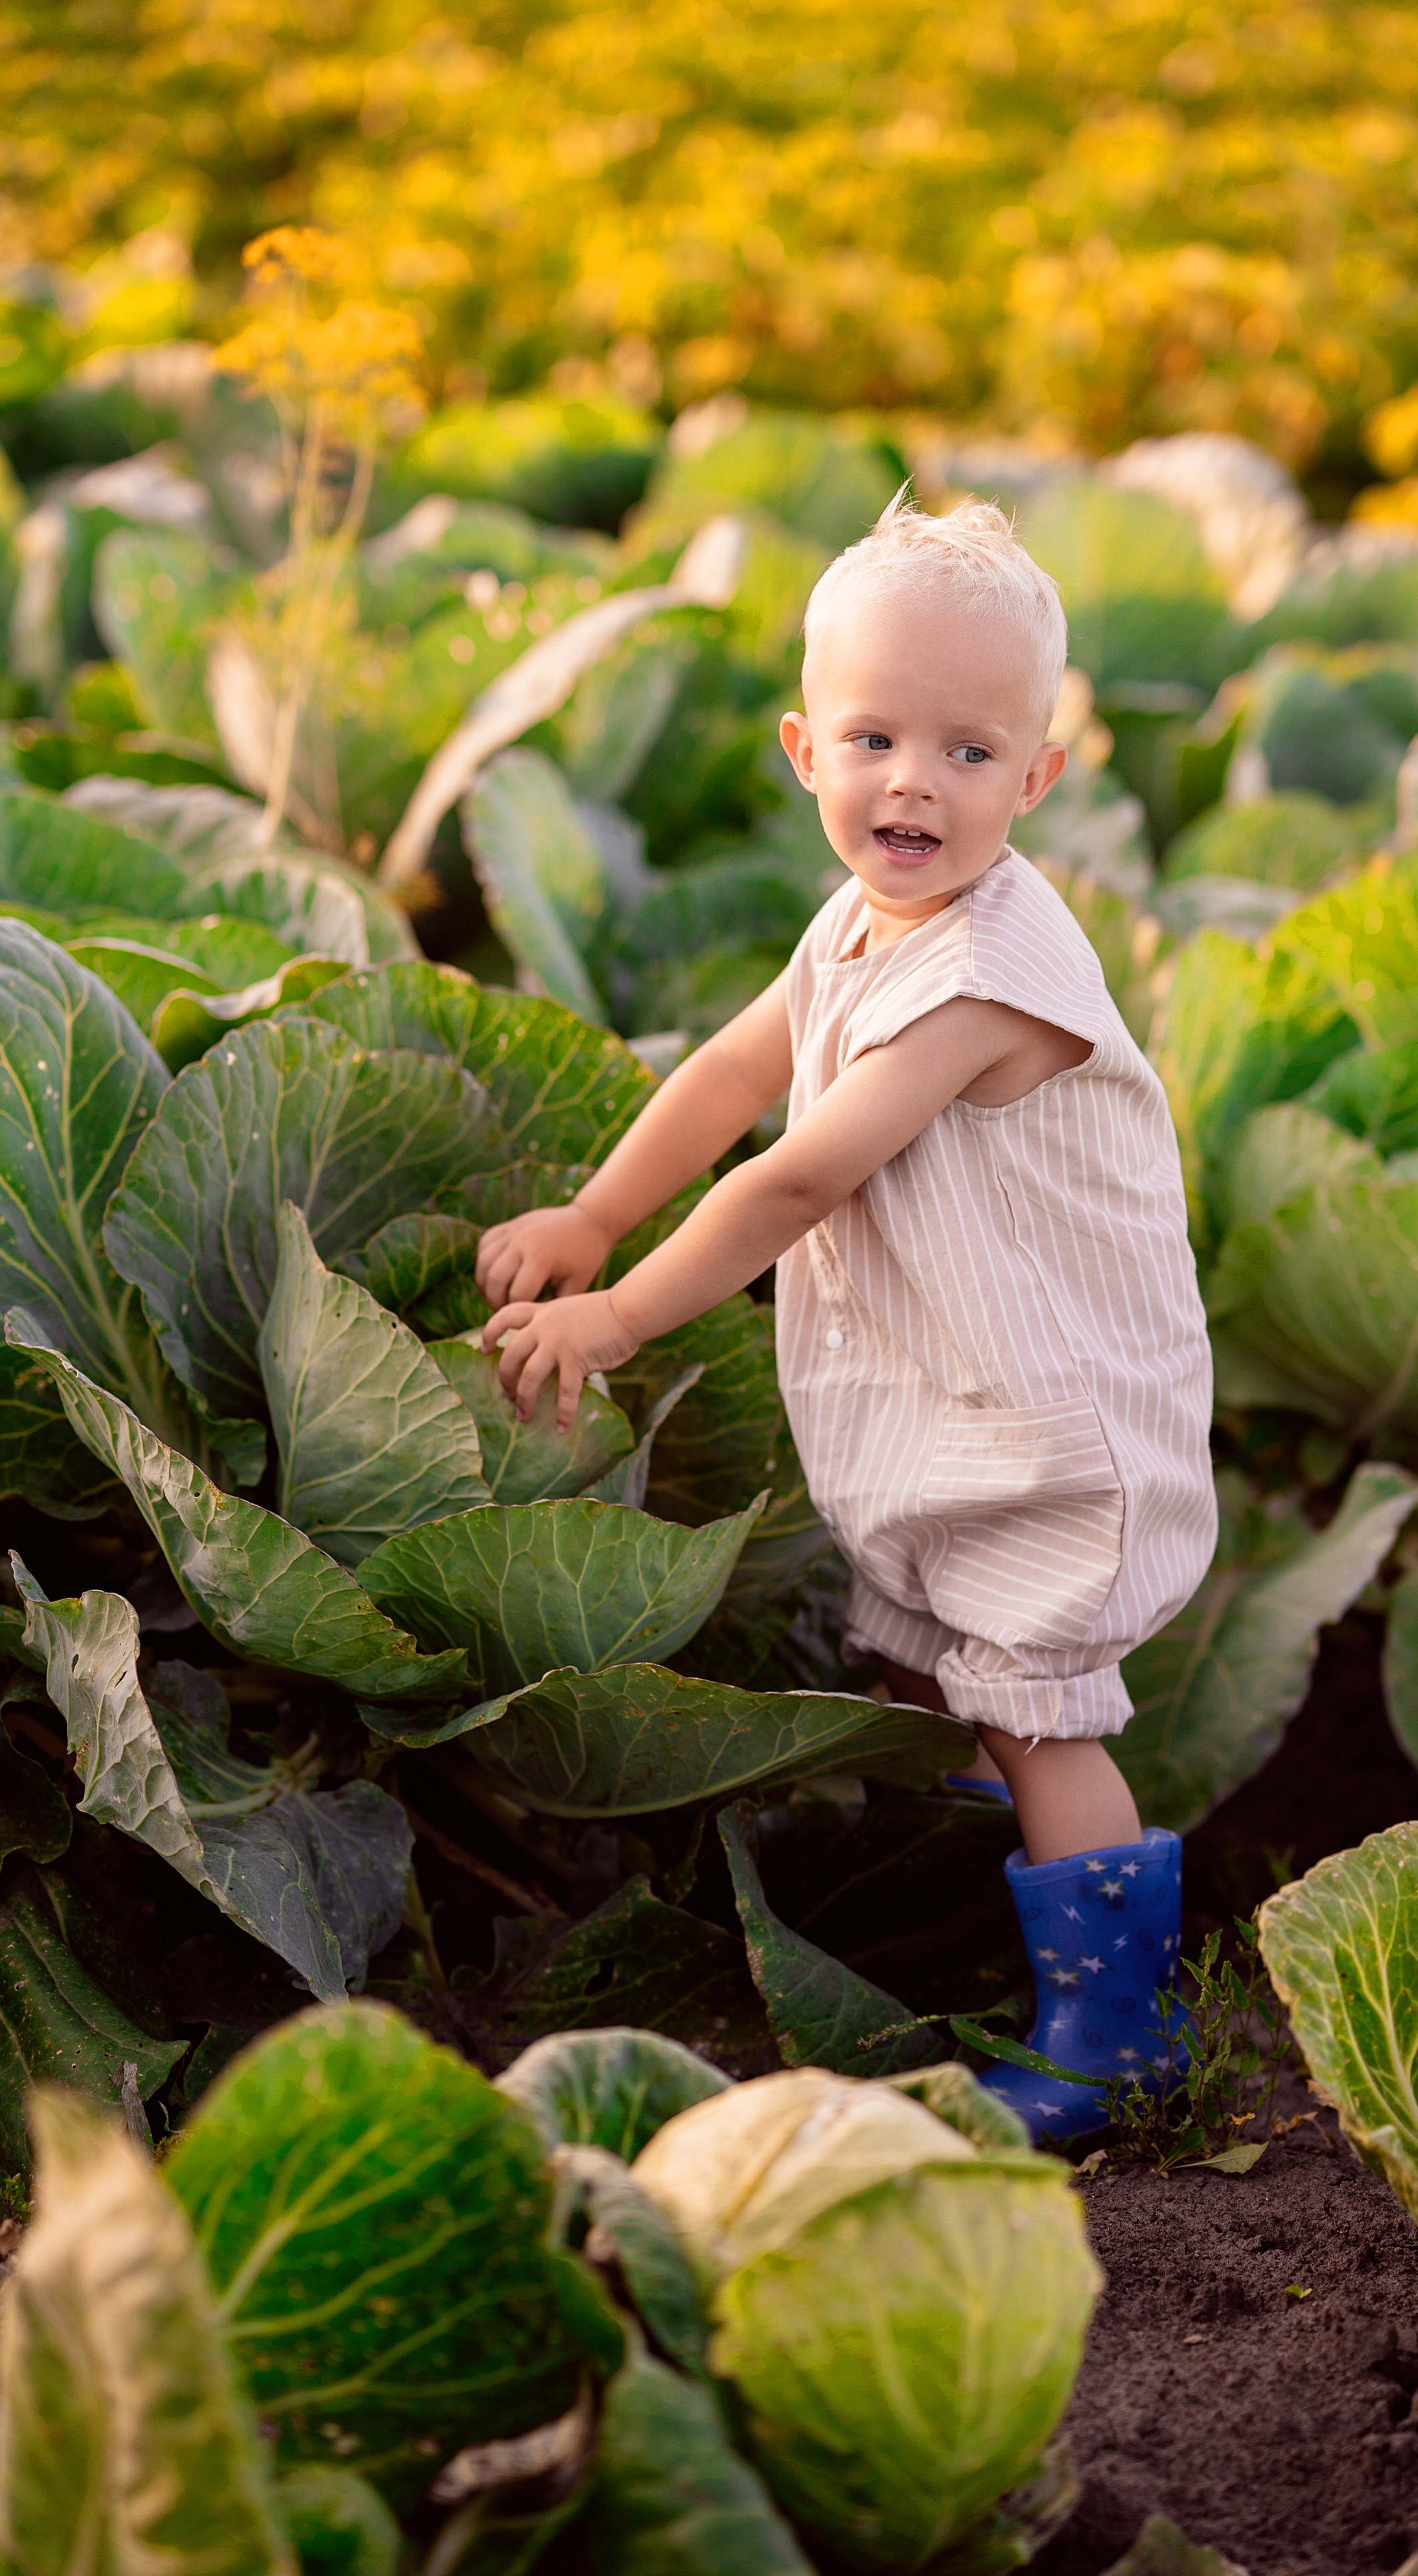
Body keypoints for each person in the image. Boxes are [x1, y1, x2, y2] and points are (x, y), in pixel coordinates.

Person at [476, 494, 1216, 2141]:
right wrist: (594, 1209)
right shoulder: (860, 920)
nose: (913, 784)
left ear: (1035, 781)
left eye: (966, 753)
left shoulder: (984, 973)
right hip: (947, 1382)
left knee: (1033, 1703)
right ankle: (966, 1919)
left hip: (1054, 1412)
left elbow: (796, 1176)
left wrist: (617, 1314)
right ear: (806, 748)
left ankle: (1119, 2035)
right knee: (930, 1665)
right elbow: (735, 1071)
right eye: (875, 738)